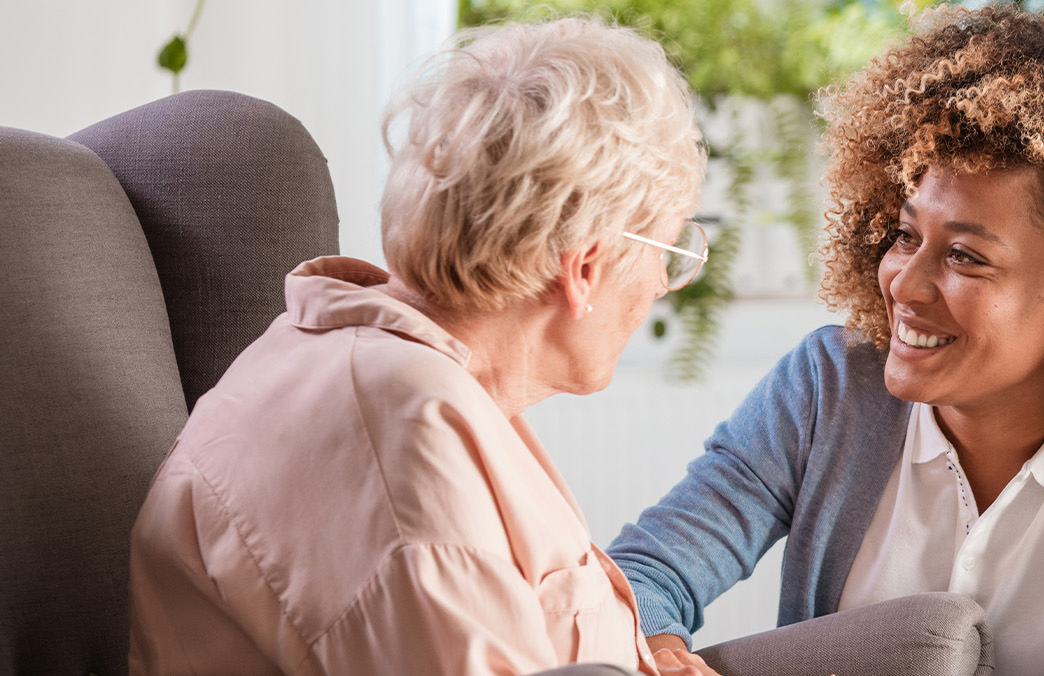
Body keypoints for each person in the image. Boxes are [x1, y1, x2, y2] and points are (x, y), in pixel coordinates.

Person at [607, 5, 1044, 676]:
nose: (904, 284)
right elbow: (639, 576)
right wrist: (663, 657)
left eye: (965, 256)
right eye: (906, 236)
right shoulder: (828, 388)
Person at [129, 17, 717, 676]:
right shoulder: (402, 432)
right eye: (667, 252)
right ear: (585, 269)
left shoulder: (408, 376)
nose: (665, 284)